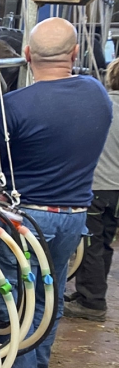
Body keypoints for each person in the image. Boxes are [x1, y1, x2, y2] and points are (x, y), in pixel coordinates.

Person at [0, 17, 113, 368]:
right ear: (76, 54)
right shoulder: (98, 95)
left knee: (14, 305)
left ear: (26, 56)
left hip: (26, 220)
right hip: (73, 218)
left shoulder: (15, 107)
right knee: (48, 301)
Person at [65, 58, 119, 321]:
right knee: (105, 242)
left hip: (98, 186)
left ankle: (92, 302)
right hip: (117, 192)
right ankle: (90, 292)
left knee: (90, 243)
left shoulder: (102, 105)